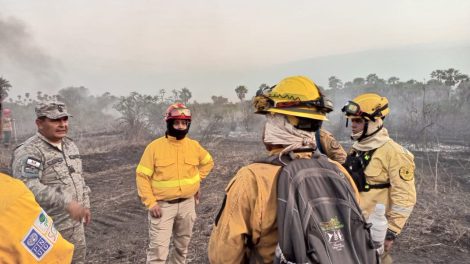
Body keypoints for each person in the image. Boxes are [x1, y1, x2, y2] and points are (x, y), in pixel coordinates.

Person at [208, 76, 361, 263]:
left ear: (278, 121)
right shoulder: (339, 172)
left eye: (269, 119)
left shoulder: (252, 179)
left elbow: (224, 255)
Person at [11, 101, 91, 264]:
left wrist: (85, 204)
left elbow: (79, 178)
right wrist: (66, 201)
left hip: (75, 228)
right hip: (47, 231)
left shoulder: (70, 145)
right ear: (39, 123)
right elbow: (26, 186)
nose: (62, 124)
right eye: (55, 120)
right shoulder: (30, 151)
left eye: (65, 119)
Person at [341, 93, 416, 264]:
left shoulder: (394, 153)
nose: (352, 125)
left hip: (375, 230)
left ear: (374, 121)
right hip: (352, 224)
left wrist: (391, 231)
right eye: (351, 120)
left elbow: (405, 197)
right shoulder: (357, 148)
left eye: (358, 121)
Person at [136, 103, 214, 264]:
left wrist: (196, 181)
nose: (180, 126)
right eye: (176, 122)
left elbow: (208, 162)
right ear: (169, 123)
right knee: (158, 252)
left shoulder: (194, 146)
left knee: (181, 249)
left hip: (187, 205)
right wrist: (151, 203)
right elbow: (142, 177)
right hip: (162, 207)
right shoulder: (154, 148)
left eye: (184, 123)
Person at [0, 172, 74, 263]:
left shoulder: (11, 190)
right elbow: (31, 184)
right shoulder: (12, 188)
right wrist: (65, 201)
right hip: (59, 235)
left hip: (60, 242)